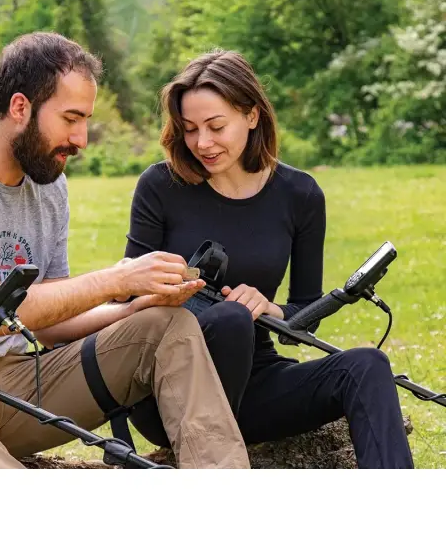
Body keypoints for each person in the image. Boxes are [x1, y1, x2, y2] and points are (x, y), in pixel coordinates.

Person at [0, 32, 250, 469]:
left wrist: (134, 308)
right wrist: (116, 279)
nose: (82, 138)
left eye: (85, 120)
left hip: (19, 381)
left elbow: (50, 321)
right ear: (20, 108)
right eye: (71, 118)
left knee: (166, 325)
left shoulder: (49, 186)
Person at [124, 49, 414, 469]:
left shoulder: (300, 195)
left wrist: (269, 308)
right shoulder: (160, 186)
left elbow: (304, 314)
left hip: (254, 382)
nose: (202, 143)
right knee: (230, 319)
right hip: (167, 383)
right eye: (189, 130)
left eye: (216, 126)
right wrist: (177, 294)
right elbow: (126, 298)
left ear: (252, 115)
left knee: (367, 364)